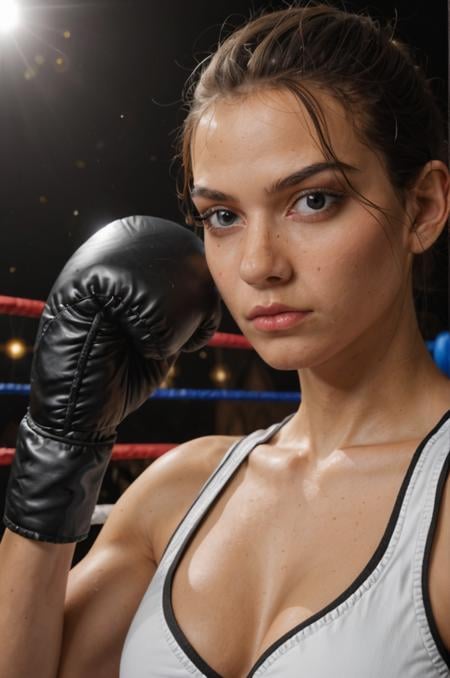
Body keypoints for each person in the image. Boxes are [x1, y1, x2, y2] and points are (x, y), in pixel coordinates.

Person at [0, 3, 449, 677]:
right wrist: (59, 448)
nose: (259, 263)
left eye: (314, 200)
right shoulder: (180, 489)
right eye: (223, 216)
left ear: (421, 208)